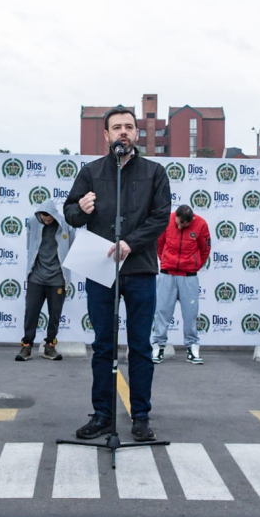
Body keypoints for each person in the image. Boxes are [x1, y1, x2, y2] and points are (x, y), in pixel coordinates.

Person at [64, 107, 170, 443]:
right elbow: (69, 212)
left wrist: (130, 243)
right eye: (116, 128)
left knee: (139, 345)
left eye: (129, 127)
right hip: (100, 269)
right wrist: (80, 209)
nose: (123, 132)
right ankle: (102, 415)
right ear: (107, 135)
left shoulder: (155, 172)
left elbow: (161, 217)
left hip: (139, 269)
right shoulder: (91, 172)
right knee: (103, 345)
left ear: (137, 133)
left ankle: (140, 416)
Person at [151, 204, 211, 364]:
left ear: (190, 221)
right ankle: (158, 346)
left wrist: (194, 265)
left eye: (182, 224)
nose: (178, 226)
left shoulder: (201, 224)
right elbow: (159, 243)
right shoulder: (167, 220)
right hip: (167, 273)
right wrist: (165, 260)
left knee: (190, 313)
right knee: (162, 311)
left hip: (189, 275)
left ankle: (192, 348)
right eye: (177, 222)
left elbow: (205, 249)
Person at [17, 200, 75, 362]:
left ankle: (50, 346)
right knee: (31, 313)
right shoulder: (33, 222)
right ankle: (26, 346)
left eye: (49, 217)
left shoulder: (65, 224)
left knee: (55, 315)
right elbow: (30, 245)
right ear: (39, 215)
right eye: (43, 216)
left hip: (57, 278)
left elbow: (71, 245)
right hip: (36, 277)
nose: (46, 219)